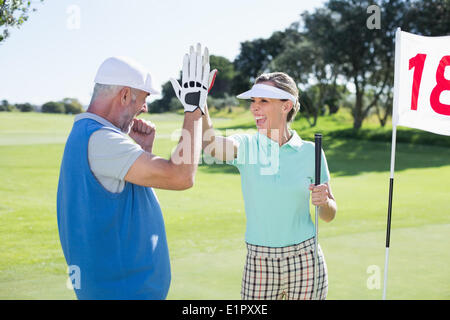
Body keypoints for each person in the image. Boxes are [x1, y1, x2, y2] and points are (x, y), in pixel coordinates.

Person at [57, 44, 214, 299]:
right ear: (125, 95)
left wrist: (142, 152)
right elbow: (181, 176)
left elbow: (121, 204)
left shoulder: (87, 133)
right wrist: (194, 107)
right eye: (144, 99)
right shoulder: (101, 139)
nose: (145, 109)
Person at [201, 72, 337, 300]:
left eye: (263, 101)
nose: (255, 108)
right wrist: (200, 102)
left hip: (306, 258)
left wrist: (324, 202)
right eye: (253, 101)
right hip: (259, 259)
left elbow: (328, 215)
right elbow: (212, 147)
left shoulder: (311, 152)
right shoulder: (246, 145)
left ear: (286, 106)